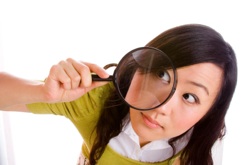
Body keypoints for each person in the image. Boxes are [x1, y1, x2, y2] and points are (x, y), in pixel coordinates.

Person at [0, 24, 237, 165]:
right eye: (162, 74)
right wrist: (41, 92)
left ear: (207, 114)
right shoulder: (96, 98)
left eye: (189, 97)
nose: (161, 107)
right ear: (140, 66)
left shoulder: (204, 146)